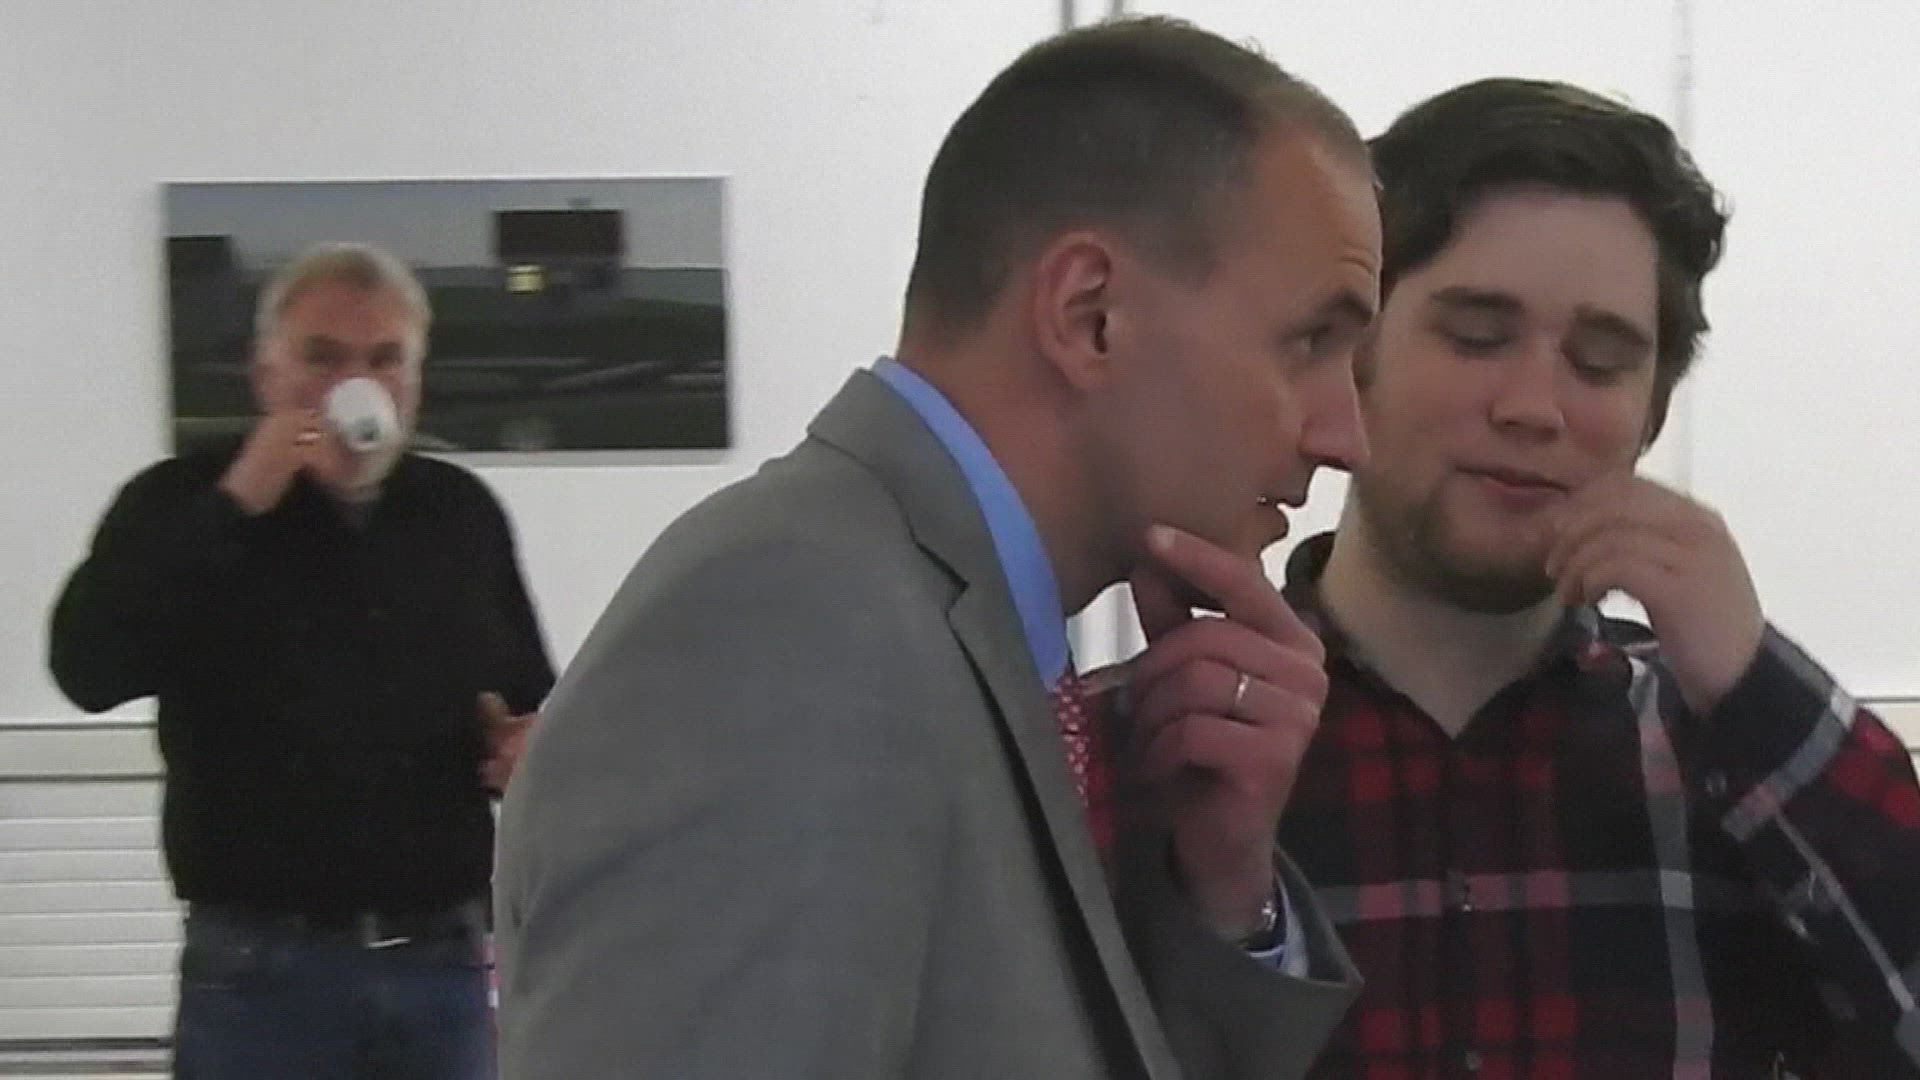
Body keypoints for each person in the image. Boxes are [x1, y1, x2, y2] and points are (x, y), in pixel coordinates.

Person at [495, 16, 1382, 1080]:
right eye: (1310, 341)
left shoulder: (948, 634)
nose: (1347, 436)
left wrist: (1220, 892)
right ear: (1090, 315)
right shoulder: (789, 629)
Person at [1274, 78, 1920, 1078]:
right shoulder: (1179, 742)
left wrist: (1754, 684)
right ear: (1353, 351)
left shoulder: (1737, 756)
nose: (1536, 406)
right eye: (1477, 337)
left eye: (1602, 360)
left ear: (1651, 414)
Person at [49, 242, 555, 1079]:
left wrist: (526, 747)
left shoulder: (457, 514)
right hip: (261, 972)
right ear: (265, 372)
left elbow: (527, 692)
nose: (356, 381)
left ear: (415, 377)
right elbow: (89, 671)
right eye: (322, 357)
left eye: (385, 358)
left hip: (444, 962)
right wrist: (239, 500)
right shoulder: (177, 502)